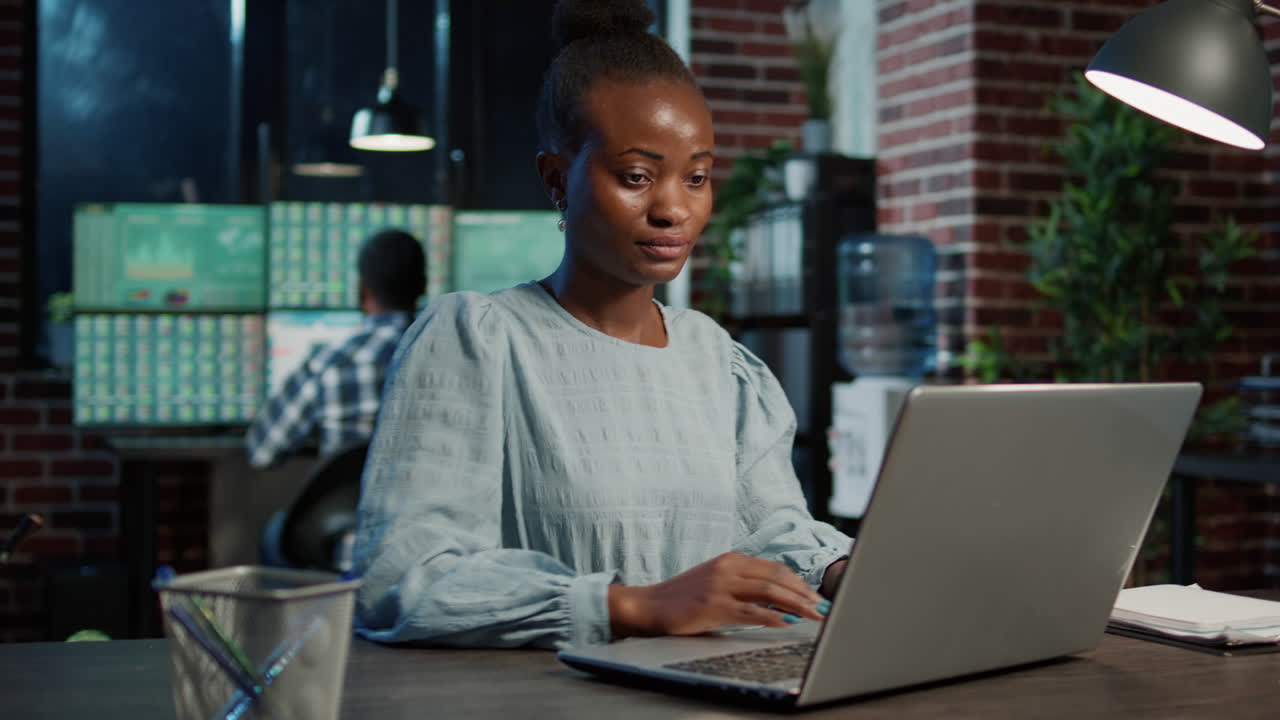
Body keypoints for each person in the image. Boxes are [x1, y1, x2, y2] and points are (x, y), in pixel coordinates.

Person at [352, 0, 852, 650]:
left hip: (702, 691)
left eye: (697, 177)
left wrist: (854, 571)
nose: (674, 208)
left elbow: (774, 532)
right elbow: (402, 578)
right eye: (637, 176)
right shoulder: (480, 341)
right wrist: (632, 606)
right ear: (557, 179)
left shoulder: (715, 360)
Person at [246, 229, 426, 470]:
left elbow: (262, 452)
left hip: (349, 507)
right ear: (423, 286)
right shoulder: (452, 360)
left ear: (362, 289)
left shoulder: (328, 364)